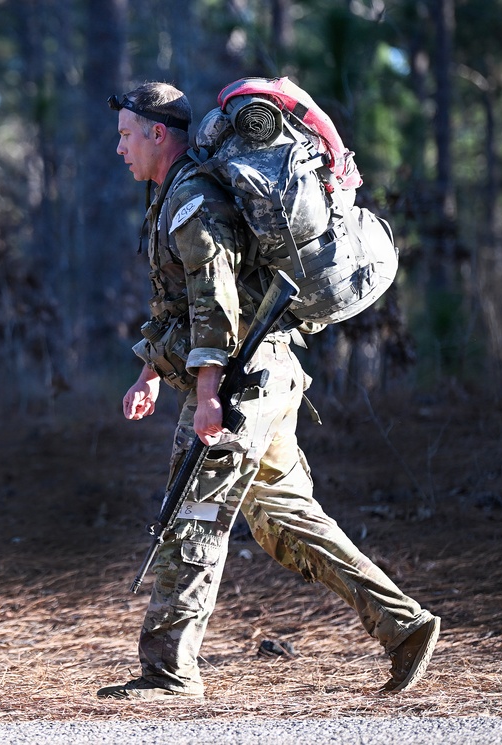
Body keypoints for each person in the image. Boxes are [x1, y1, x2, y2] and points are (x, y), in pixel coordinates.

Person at [97, 81, 439, 700]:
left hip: (240, 384)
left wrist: (207, 397)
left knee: (193, 516)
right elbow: (178, 303)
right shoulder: (174, 196)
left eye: (125, 135)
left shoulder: (193, 200)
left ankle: (168, 672)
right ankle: (404, 625)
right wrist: (148, 371)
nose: (118, 148)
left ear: (157, 133)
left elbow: (215, 302)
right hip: (265, 376)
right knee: (285, 519)